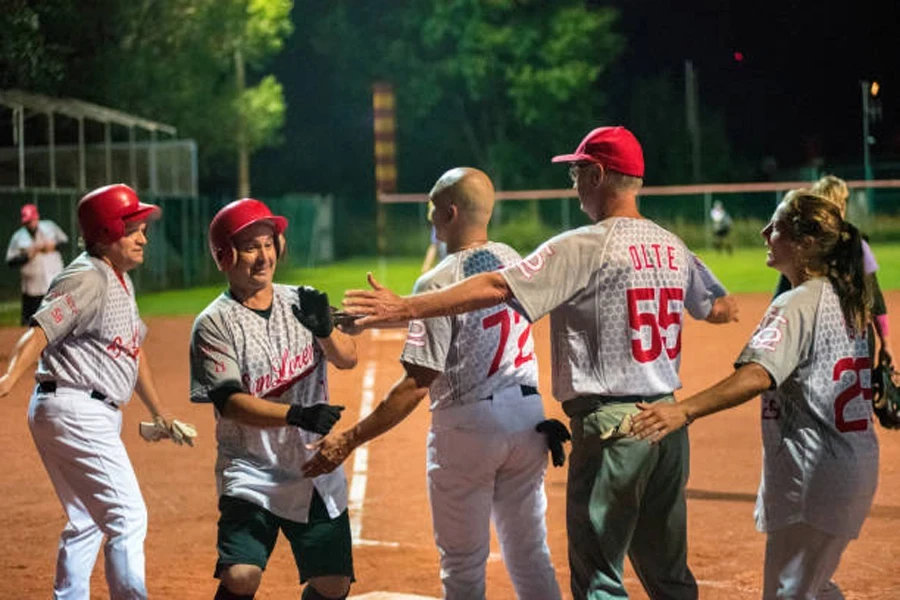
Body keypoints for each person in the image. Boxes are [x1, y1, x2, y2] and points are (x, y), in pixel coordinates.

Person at [342, 126, 740, 599]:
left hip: (612, 425)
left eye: (576, 171)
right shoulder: (674, 246)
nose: (573, 181)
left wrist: (405, 308)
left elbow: (496, 288)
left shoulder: (582, 246)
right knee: (668, 574)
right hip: (667, 421)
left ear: (597, 174)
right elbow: (720, 308)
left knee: (599, 579)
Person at [304, 167, 564, 600]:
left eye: (432, 207)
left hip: (469, 426)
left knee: (463, 565)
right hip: (527, 421)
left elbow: (416, 384)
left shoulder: (437, 280)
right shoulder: (516, 260)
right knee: (530, 552)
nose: (428, 217)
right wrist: (368, 319)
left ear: (450, 211)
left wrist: (349, 438)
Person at [632, 188, 879, 600]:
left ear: (805, 244)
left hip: (814, 477)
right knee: (814, 587)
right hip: (850, 467)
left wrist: (685, 410)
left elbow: (758, 375)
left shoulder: (797, 303)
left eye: (777, 226)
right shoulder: (848, 298)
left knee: (788, 592)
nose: (765, 233)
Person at [0, 183, 193, 599]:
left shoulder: (118, 278)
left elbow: (133, 351)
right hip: (75, 408)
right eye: (134, 229)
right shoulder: (88, 277)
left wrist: (159, 412)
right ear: (106, 231)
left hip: (72, 407)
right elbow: (40, 330)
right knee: (127, 516)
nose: (143, 238)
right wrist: (7, 379)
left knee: (88, 518)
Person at [189, 198, 357, 600]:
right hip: (251, 469)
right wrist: (298, 414)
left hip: (312, 467)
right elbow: (231, 402)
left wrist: (325, 332)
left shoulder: (300, 299)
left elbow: (348, 358)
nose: (263, 256)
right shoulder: (213, 323)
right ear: (225, 255)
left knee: (333, 586)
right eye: (250, 247)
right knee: (241, 575)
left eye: (268, 244)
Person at [773, 174, 896, 381]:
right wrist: (886, 342)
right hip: (856, 337)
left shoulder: (803, 245)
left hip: (817, 337)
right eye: (843, 200)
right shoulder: (857, 243)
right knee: (856, 399)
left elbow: (781, 298)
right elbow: (873, 296)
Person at [6, 203, 69, 324]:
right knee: (29, 323)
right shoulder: (18, 237)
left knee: (58, 322)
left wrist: (54, 246)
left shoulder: (50, 227)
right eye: (27, 222)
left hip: (53, 284)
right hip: (32, 289)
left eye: (31, 220)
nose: (29, 224)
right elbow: (10, 262)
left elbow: (66, 244)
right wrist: (27, 256)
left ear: (37, 217)